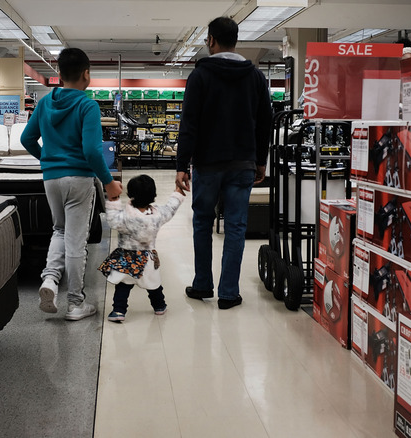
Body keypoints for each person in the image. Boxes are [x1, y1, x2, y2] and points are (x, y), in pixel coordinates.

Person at [175, 16, 273, 310]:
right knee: (235, 227)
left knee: (203, 222)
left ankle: (203, 284)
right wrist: (260, 161)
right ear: (235, 40)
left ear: (211, 40)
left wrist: (182, 164)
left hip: (207, 163)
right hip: (243, 162)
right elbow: (264, 122)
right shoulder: (255, 77)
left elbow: (189, 122)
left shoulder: (200, 76)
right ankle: (229, 292)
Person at [20, 47, 123, 321]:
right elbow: (91, 151)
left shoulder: (43, 103)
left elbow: (26, 139)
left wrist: (48, 160)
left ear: (59, 74)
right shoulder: (87, 105)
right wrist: (109, 182)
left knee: (59, 230)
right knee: (77, 241)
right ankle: (76, 303)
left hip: (51, 179)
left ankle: (50, 280)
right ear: (86, 74)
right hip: (79, 179)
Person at [98, 174, 185, 322]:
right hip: (148, 258)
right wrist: (178, 191)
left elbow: (112, 220)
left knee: (123, 285)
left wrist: (114, 200)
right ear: (154, 195)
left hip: (127, 259)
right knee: (154, 285)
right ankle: (159, 306)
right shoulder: (159, 215)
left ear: (130, 194)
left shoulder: (125, 217)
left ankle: (119, 311)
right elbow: (171, 207)